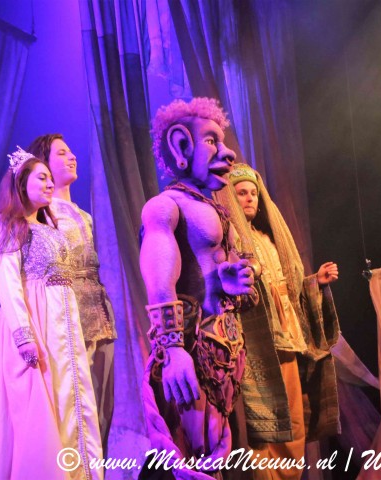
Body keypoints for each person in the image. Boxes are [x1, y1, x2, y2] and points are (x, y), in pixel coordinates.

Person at [0, 147, 103, 480]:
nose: (49, 184)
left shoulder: (50, 229)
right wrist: (24, 336)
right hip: (35, 324)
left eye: (50, 178)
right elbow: (7, 282)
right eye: (42, 178)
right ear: (21, 183)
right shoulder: (6, 225)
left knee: (71, 399)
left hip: (63, 328)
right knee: (41, 407)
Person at [139, 98, 256, 479]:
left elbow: (214, 275)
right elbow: (159, 283)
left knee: (213, 456)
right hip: (191, 351)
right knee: (192, 460)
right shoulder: (163, 207)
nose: (228, 152)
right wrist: (173, 350)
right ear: (181, 146)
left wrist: (228, 280)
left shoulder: (215, 208)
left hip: (224, 354)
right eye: (211, 141)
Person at [223, 163, 341, 480]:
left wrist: (316, 282)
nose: (249, 198)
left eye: (253, 193)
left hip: (286, 338)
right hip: (256, 343)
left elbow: (290, 288)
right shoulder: (230, 240)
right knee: (263, 422)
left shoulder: (269, 240)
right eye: (241, 193)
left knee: (294, 420)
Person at [26, 134, 117, 452]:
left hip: (100, 315)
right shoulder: (41, 215)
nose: (72, 157)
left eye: (71, 151)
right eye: (62, 153)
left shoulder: (85, 215)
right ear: (44, 165)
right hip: (67, 317)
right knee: (75, 407)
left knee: (102, 409)